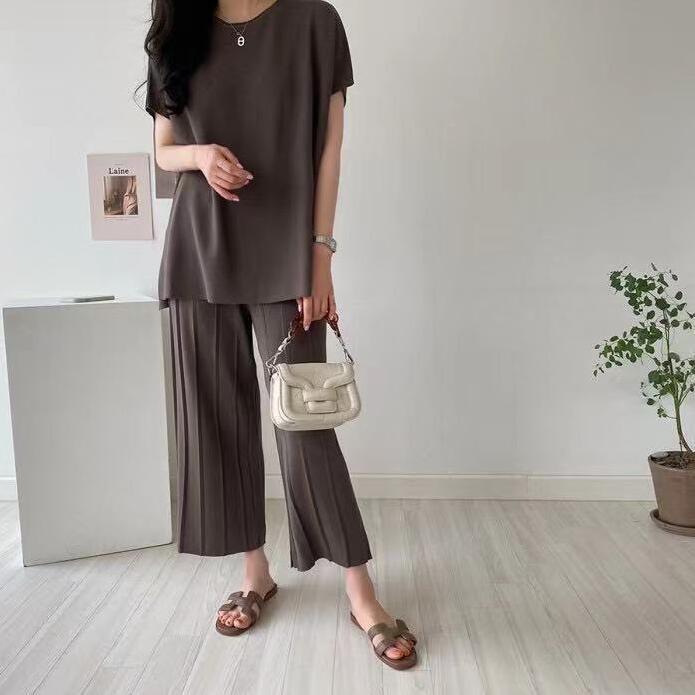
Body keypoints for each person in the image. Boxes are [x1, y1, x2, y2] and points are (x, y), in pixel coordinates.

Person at [143, 0, 417, 669]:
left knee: (304, 423)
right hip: (199, 251)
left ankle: (360, 590)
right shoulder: (176, 26)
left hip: (287, 254)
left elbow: (330, 147)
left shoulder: (315, 22)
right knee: (216, 420)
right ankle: (254, 571)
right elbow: (162, 150)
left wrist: (320, 257)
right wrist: (201, 154)